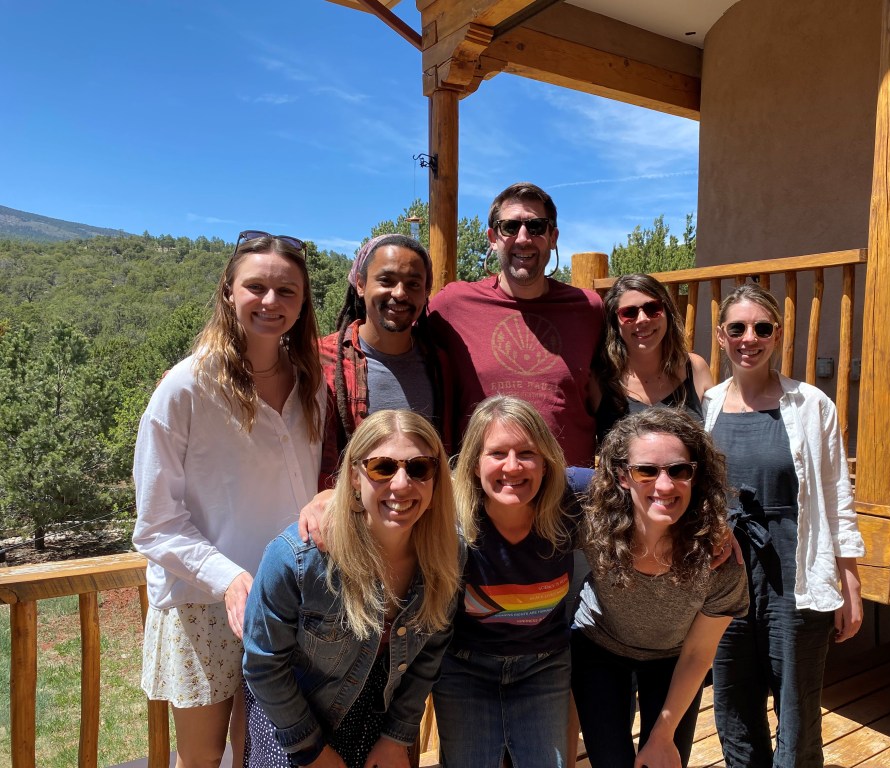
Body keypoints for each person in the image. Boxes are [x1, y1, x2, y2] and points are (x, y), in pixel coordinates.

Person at [133, 230, 325, 768]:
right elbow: (154, 524)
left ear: (304, 300)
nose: (271, 301)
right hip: (204, 604)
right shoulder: (186, 388)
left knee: (263, 752)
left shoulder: (311, 384)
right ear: (228, 291)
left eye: (287, 291)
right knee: (202, 757)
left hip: (291, 598)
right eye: (256, 286)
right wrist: (230, 579)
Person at [703, 283, 865, 768]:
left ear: (777, 335)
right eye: (737, 328)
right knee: (732, 704)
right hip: (723, 576)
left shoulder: (812, 405)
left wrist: (851, 583)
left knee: (796, 712)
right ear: (721, 335)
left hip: (795, 577)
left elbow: (838, 497)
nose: (749, 338)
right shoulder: (705, 407)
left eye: (761, 328)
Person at [242, 410, 462, 768]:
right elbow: (264, 665)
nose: (402, 484)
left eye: (419, 468)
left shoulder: (448, 554)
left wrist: (395, 738)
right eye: (383, 468)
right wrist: (311, 751)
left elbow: (429, 654)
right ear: (355, 478)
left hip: (378, 718)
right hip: (292, 717)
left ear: (436, 483)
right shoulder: (298, 559)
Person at [571, 407, 748, 768]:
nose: (664, 486)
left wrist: (662, 736)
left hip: (674, 658)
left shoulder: (718, 558)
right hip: (598, 646)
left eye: (679, 470)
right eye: (646, 471)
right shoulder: (594, 522)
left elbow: (699, 654)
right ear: (622, 476)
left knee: (663, 759)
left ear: (696, 476)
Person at [431, 395, 579, 768]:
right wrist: (324, 501)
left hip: (543, 668)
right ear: (474, 463)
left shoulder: (572, 498)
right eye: (497, 453)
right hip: (465, 669)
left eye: (526, 453)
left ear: (545, 462)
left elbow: (647, 483)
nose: (512, 467)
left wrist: (715, 527)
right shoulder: (449, 514)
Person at [428, 182, 604, 467]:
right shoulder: (453, 304)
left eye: (536, 226)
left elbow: (621, 380)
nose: (523, 238)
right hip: (484, 490)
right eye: (510, 227)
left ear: (553, 236)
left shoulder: (589, 309)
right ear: (492, 238)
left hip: (570, 494)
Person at [318, 233, 452, 489]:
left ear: (426, 292)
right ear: (360, 284)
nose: (400, 293)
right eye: (386, 280)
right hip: (345, 519)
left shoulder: (439, 365)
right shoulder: (322, 359)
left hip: (420, 515)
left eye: (413, 284)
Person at [593, 273, 713, 441]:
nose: (642, 319)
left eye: (652, 308)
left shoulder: (695, 368)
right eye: (629, 313)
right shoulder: (600, 380)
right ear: (615, 322)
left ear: (667, 312)